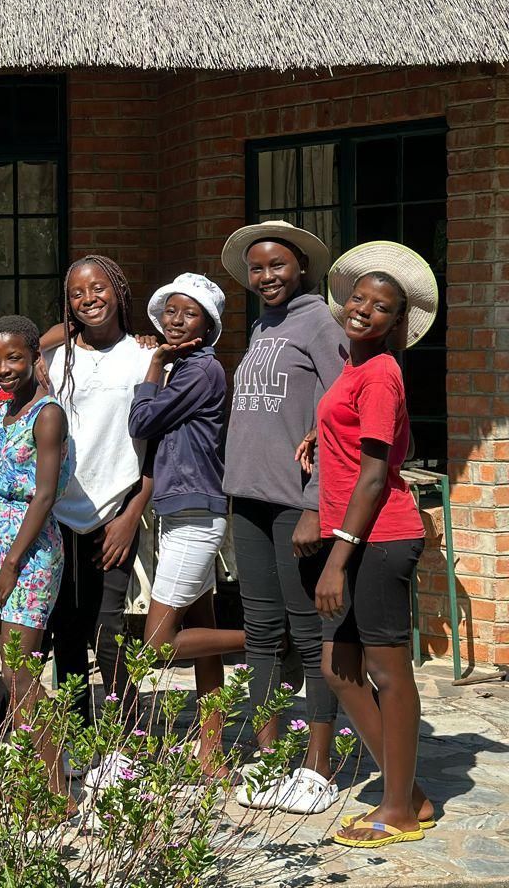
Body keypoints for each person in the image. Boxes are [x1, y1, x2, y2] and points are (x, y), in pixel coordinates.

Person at [304, 242, 438, 848]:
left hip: (379, 539)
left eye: (381, 306)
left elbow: (378, 474)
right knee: (339, 668)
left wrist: (337, 558)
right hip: (355, 538)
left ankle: (399, 809)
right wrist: (320, 431)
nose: (364, 310)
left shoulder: (381, 372)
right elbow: (358, 434)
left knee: (385, 671)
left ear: (395, 322)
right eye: (359, 297)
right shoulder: (355, 369)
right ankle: (405, 791)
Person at [220, 220, 344, 815]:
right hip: (248, 499)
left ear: (302, 268)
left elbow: (341, 416)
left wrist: (317, 501)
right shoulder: (265, 325)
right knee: (262, 633)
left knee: (309, 631)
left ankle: (317, 768)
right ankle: (270, 763)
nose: (266, 276)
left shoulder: (320, 322)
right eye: (257, 268)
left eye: (277, 266)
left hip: (295, 505)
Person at [41, 255, 154, 779]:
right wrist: (50, 340)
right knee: (65, 632)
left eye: (99, 287)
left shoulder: (144, 357)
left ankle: (124, 740)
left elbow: (159, 446)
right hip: (60, 512)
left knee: (111, 635)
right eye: (78, 292)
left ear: (120, 289)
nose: (89, 299)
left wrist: (133, 512)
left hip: (115, 512)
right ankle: (79, 737)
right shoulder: (57, 359)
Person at [127, 273, 243, 774]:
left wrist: (152, 362)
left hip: (196, 514)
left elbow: (141, 422)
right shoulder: (186, 369)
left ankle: (267, 637)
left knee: (156, 645)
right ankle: (212, 752)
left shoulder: (200, 371)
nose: (176, 321)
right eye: (170, 311)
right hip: (180, 513)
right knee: (201, 630)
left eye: (189, 313)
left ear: (209, 324)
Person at [0, 316, 72, 810]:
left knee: (21, 672)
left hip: (28, 551)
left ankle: (55, 790)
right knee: (13, 672)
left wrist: (10, 563)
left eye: (14, 358)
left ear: (35, 357)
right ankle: (36, 778)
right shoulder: (5, 410)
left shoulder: (46, 414)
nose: (4, 369)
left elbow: (45, 493)